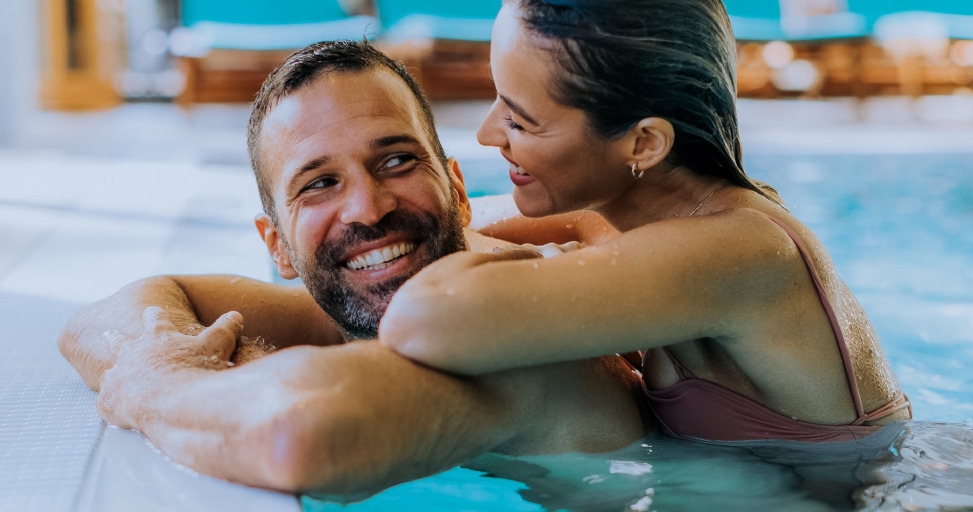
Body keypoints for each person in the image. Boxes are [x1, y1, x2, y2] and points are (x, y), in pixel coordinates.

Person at [58, 41, 649, 494]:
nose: (368, 208)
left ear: (458, 190)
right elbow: (102, 318)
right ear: (279, 248)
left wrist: (153, 387)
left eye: (395, 160)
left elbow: (301, 434)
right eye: (319, 184)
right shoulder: (351, 310)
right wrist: (175, 355)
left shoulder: (516, 319)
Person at [379, 0, 911, 443]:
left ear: (644, 143)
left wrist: (537, 267)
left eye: (520, 119)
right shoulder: (640, 216)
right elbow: (444, 226)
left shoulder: (732, 250)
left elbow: (423, 321)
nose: (486, 134)